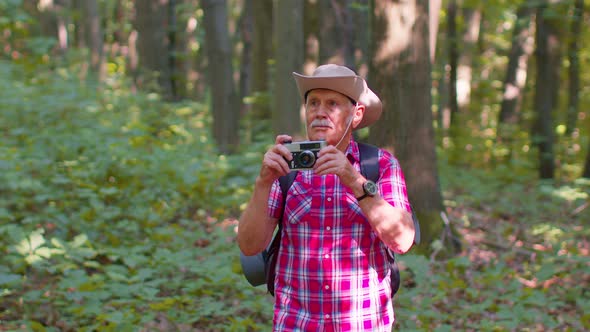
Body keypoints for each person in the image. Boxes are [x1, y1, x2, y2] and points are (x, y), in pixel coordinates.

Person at [238, 64, 416, 331]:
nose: (320, 112)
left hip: (362, 323)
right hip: (296, 323)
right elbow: (250, 245)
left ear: (357, 115)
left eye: (332, 103)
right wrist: (263, 183)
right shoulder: (287, 168)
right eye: (313, 103)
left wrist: (352, 178)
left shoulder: (380, 165)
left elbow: (402, 240)